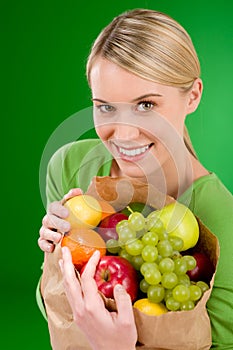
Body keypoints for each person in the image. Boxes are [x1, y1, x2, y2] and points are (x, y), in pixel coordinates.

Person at [37, 8, 233, 349]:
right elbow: (53, 307)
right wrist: (56, 254)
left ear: (193, 95)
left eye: (145, 105)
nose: (123, 133)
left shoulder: (223, 221)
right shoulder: (68, 167)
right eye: (105, 107)